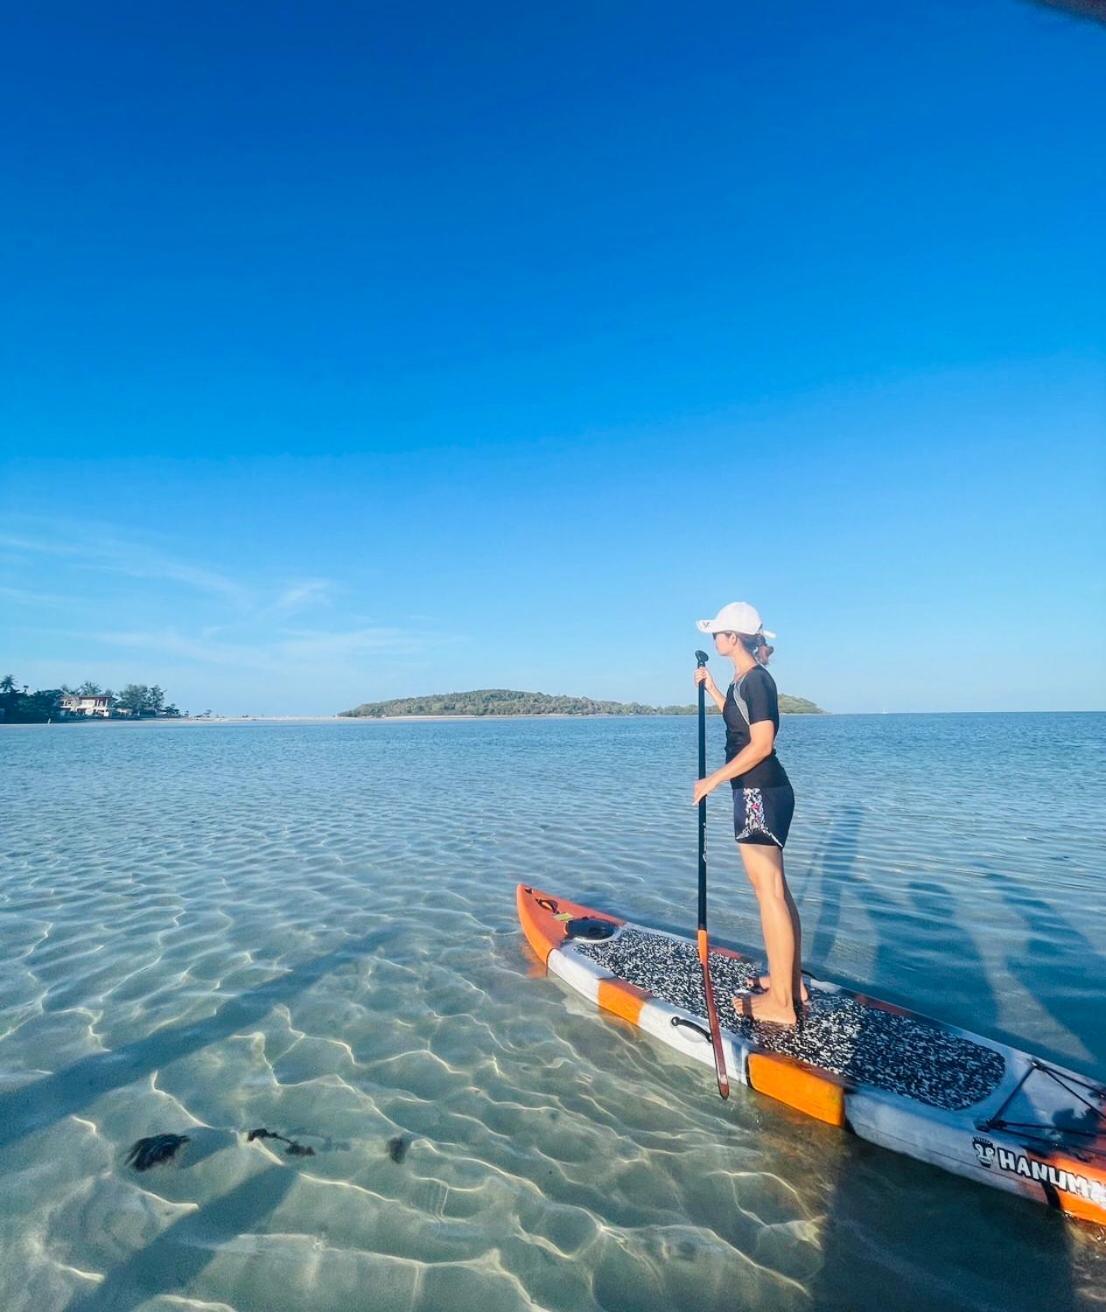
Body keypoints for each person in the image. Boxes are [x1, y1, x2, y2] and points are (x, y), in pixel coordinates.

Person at [692, 602, 804, 1027]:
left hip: (758, 793)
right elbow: (738, 723)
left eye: (717, 633)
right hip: (762, 791)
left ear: (733, 638)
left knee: (769, 894)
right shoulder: (744, 679)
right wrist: (713, 690)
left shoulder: (757, 680)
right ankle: (788, 986)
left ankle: (781, 1006)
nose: (713, 640)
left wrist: (712, 781)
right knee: (778, 892)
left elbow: (761, 744)